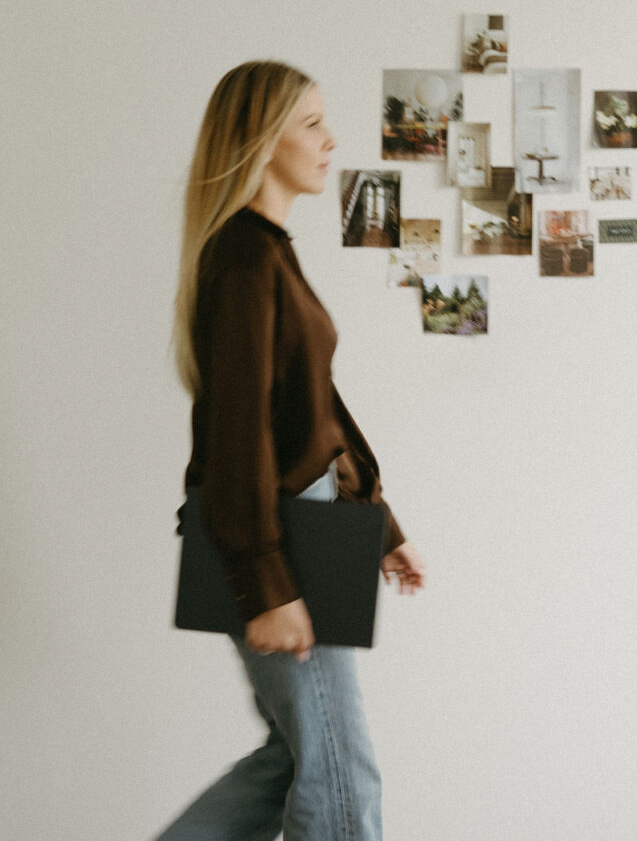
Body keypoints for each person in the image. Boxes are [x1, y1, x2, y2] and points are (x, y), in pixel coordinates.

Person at [157, 60, 425, 840]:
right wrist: (265, 584)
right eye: (310, 124)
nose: (330, 140)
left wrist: (380, 526)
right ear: (260, 139)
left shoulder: (265, 250)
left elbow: (315, 405)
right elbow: (235, 433)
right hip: (276, 530)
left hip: (295, 521)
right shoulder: (245, 259)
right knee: (340, 769)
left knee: (297, 756)